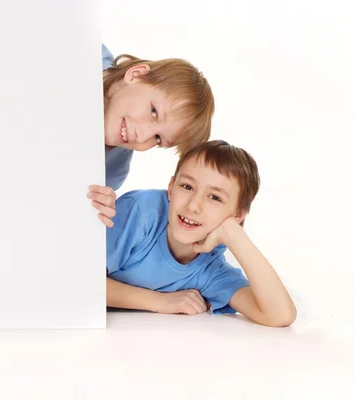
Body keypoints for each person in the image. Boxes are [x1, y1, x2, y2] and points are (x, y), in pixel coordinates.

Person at [105, 140, 297, 327]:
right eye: (187, 187)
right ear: (171, 188)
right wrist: (160, 301)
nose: (193, 206)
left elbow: (280, 315)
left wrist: (234, 234)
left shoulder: (209, 270)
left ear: (237, 214)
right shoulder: (141, 212)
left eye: (215, 197)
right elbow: (81, 279)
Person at [88, 44, 215, 228]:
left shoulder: (112, 170)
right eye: (154, 112)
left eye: (158, 139)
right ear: (136, 74)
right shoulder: (84, 47)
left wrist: (93, 207)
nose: (141, 136)